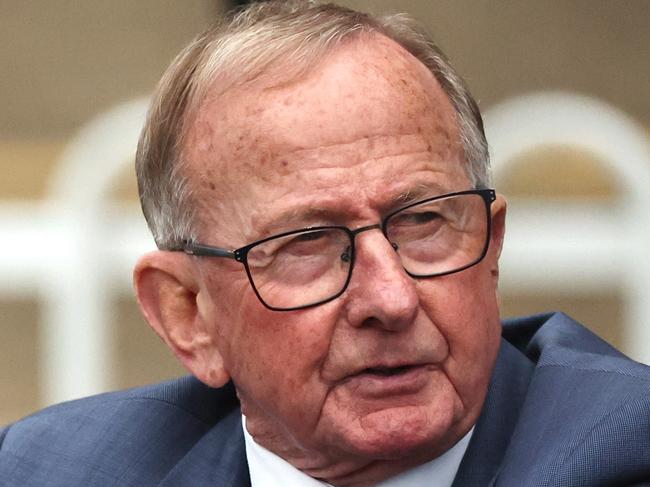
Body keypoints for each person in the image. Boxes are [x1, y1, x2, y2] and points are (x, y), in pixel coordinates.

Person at [1, 1, 649, 486]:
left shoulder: (622, 449)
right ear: (188, 314)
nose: (391, 298)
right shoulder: (52, 470)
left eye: (423, 222)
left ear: (492, 247)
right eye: (308, 241)